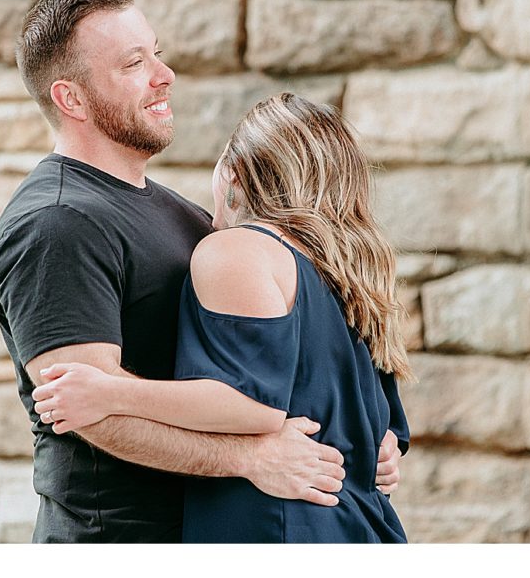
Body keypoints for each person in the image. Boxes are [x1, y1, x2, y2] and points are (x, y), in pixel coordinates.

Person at [0, 0, 404, 543]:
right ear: (72, 99)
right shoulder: (58, 224)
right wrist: (250, 458)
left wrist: (363, 433)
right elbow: (91, 414)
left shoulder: (184, 217)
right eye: (134, 63)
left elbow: (275, 357)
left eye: (156, 51)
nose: (165, 74)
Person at [33, 92, 413, 543]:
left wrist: (111, 392)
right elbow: (386, 431)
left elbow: (255, 406)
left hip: (273, 530)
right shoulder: (351, 274)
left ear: (233, 175)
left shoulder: (238, 250)